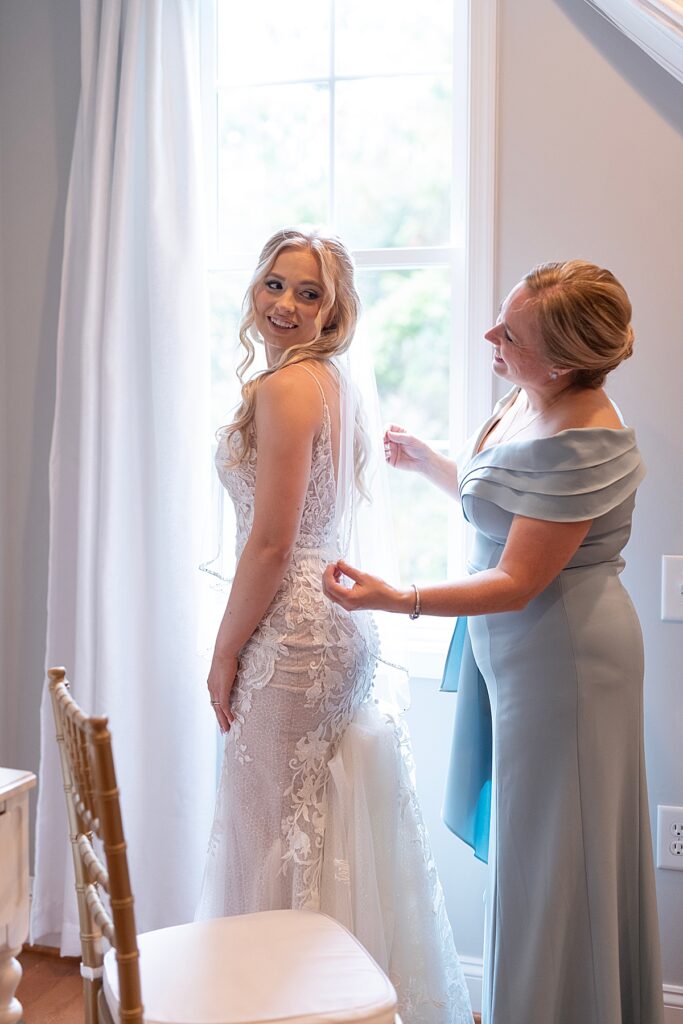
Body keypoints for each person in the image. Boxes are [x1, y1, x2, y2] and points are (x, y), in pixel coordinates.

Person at [323, 260, 664, 1024]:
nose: (489, 336)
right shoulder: (528, 395)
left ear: (564, 360)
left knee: (555, 859)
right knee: (531, 854)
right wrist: (432, 465)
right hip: (520, 658)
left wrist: (393, 595)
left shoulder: (586, 438)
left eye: (508, 333)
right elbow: (512, 505)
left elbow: (516, 579)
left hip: (568, 665)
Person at [196, 227, 473, 1024]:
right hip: (332, 622)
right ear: (255, 287)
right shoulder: (329, 383)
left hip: (291, 633)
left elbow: (272, 541)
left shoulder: (286, 389)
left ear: (334, 310)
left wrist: (223, 652)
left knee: (267, 830)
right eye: (275, 285)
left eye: (308, 293)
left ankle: (274, 1004)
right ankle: (325, 1001)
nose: (286, 304)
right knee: (306, 821)